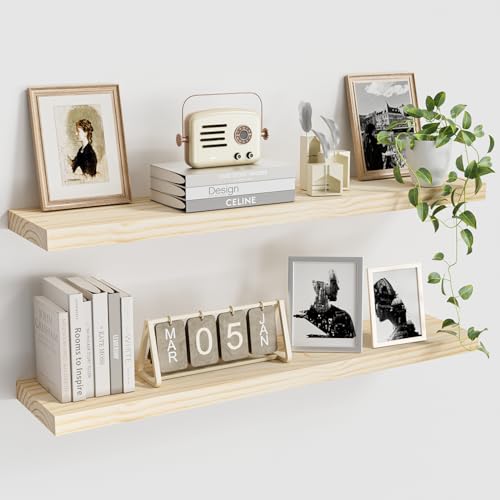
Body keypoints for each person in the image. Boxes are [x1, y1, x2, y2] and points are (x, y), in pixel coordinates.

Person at [296, 269, 356, 338]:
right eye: (333, 283)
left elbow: (352, 342)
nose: (337, 288)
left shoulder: (344, 317)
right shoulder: (301, 317)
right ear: (319, 285)